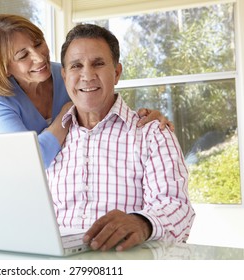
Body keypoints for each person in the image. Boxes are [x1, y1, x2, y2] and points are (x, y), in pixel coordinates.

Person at [46, 23, 195, 252]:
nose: (87, 76)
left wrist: (142, 223)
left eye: (98, 63)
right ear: (65, 76)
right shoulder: (50, 143)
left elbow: (177, 208)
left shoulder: (153, 134)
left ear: (116, 73)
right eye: (76, 66)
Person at [0, 14, 174, 168]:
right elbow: (29, 162)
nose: (39, 57)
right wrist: (66, 112)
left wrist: (145, 118)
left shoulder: (68, 72)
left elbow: (106, 108)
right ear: (4, 67)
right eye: (23, 55)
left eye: (37, 44)